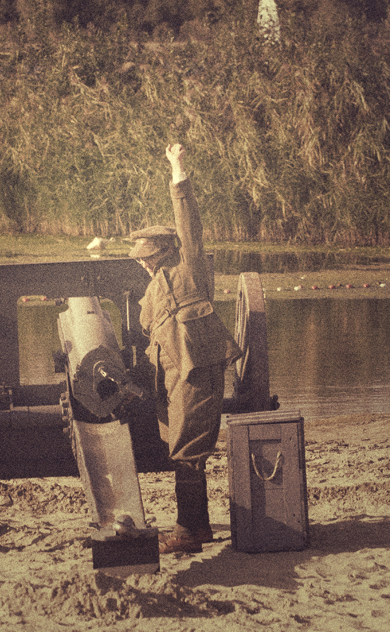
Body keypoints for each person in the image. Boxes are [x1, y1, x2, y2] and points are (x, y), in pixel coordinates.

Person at [129, 143, 241, 554]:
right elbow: (148, 332)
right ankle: (199, 527)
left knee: (188, 451)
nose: (143, 262)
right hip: (172, 377)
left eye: (149, 256)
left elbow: (188, 219)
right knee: (182, 451)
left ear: (168, 250)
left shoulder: (189, 267)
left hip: (196, 372)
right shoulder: (151, 290)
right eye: (141, 258)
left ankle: (188, 532)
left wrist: (177, 169)